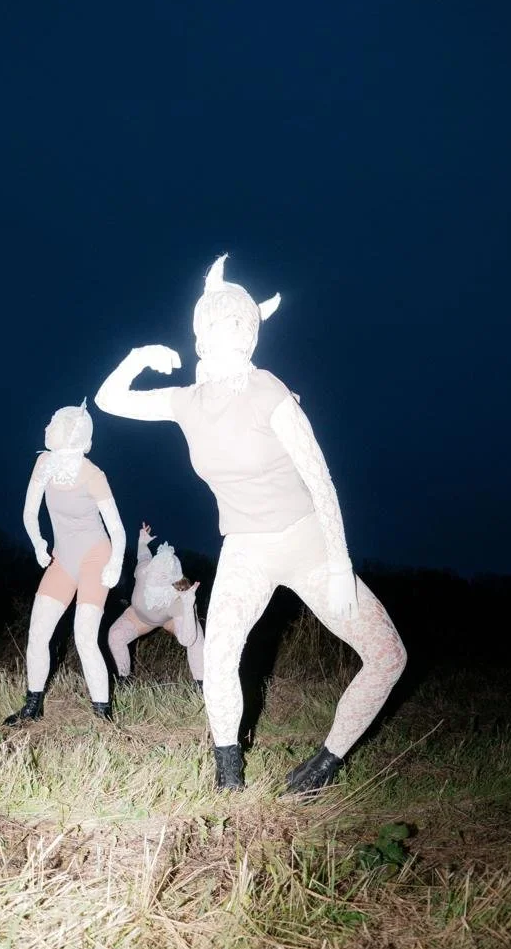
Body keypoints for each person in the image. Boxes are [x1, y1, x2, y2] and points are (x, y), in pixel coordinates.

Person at [95, 255, 406, 792]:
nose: (234, 335)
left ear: (252, 336)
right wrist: (137, 356)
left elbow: (320, 479)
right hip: (245, 549)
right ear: (201, 331)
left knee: (388, 656)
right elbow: (107, 400)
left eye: (244, 326)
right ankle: (228, 776)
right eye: (222, 323)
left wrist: (339, 563)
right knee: (217, 653)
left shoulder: (271, 391)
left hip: (308, 542)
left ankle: (322, 768)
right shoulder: (185, 401)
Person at [4, 402, 125, 723]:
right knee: (37, 633)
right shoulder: (44, 463)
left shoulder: (92, 474)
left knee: (85, 635)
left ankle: (102, 716)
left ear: (71, 432)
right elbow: (29, 512)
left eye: (54, 423)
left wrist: (115, 563)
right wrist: (38, 543)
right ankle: (32, 706)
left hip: (95, 557)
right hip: (63, 558)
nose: (46, 428)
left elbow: (117, 529)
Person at [107, 523, 204, 684]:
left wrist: (188, 605)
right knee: (115, 635)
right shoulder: (143, 570)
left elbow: (187, 640)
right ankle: (123, 681)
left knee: (195, 639)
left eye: (161, 576)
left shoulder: (178, 599)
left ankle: (201, 684)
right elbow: (144, 556)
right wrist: (142, 542)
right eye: (153, 571)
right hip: (139, 618)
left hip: (170, 618)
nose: (153, 576)